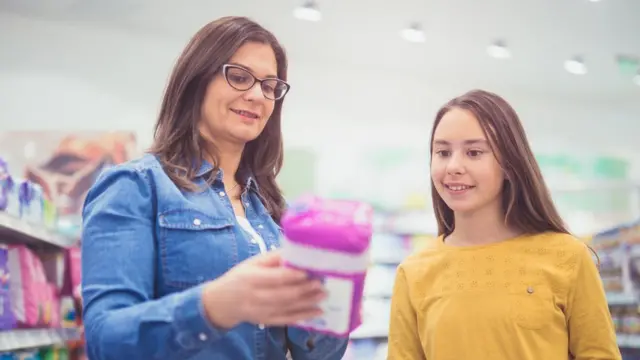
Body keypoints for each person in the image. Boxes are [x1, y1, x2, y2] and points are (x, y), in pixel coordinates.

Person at [81, 16, 348, 360]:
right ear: (197, 80)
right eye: (239, 77)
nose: (257, 95)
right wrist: (215, 305)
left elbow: (314, 354)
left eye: (270, 86)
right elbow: (107, 340)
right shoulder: (136, 187)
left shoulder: (270, 210)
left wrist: (337, 294)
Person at [387, 89, 621, 360]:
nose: (453, 166)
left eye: (474, 152)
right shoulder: (414, 273)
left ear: (510, 164)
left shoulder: (568, 257)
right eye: (442, 152)